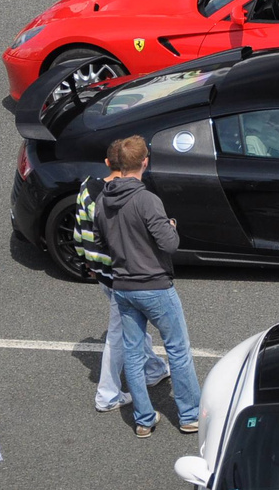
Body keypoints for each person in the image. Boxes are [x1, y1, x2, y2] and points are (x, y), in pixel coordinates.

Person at [96, 135, 201, 438]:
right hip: (155, 286)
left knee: (132, 352)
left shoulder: (103, 200)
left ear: (114, 165)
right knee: (178, 351)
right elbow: (169, 244)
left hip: (123, 287)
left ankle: (144, 420)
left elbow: (102, 242)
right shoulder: (146, 200)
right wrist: (170, 226)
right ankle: (189, 416)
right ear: (144, 162)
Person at [72, 151, 171, 412]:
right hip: (122, 276)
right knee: (118, 335)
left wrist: (88, 263)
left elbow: (79, 230)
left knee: (131, 325)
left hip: (101, 273)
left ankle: (154, 368)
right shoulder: (124, 198)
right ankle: (107, 394)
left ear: (107, 163)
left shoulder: (86, 188)